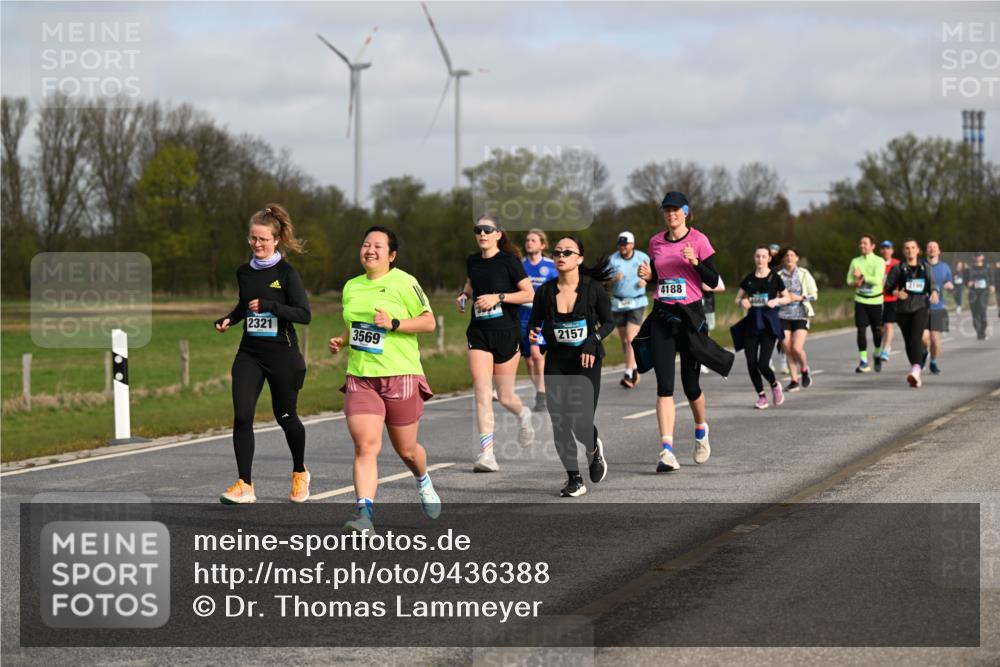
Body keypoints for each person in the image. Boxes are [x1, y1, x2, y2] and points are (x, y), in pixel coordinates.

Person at [329, 226, 440, 534]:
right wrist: (342, 341)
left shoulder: (405, 282)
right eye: (366, 244)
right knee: (365, 445)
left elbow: (428, 321)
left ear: (391, 255)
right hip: (361, 377)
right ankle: (364, 515)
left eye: (378, 246)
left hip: (400, 374)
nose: (370, 250)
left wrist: (393, 322)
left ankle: (422, 479)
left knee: (406, 450)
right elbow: (355, 325)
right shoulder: (351, 286)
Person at [215, 204, 311, 504]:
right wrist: (230, 318)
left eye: (263, 240)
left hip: (282, 355)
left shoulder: (286, 273)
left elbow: (304, 314)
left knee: (286, 417)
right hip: (250, 354)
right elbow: (246, 305)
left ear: (276, 239)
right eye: (253, 239)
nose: (257, 244)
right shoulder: (244, 272)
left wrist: (272, 307)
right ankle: (245, 484)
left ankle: (299, 472)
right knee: (242, 415)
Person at [636, 191, 734, 472]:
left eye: (676, 210)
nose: (671, 214)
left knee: (691, 387)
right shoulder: (656, 242)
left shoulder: (699, 240)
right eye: (667, 210)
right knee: (664, 385)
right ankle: (666, 450)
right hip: (663, 316)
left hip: (690, 317)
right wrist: (648, 276)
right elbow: (658, 274)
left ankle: (701, 428)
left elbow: (714, 279)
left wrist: (696, 263)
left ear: (686, 212)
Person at [527, 236, 615, 497]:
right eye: (556, 252)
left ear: (579, 258)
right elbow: (535, 324)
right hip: (556, 361)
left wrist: (592, 340)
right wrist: (534, 334)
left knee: (580, 421)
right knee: (560, 422)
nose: (561, 256)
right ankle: (574, 478)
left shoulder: (593, 289)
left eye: (568, 252)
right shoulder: (545, 291)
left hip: (586, 361)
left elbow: (609, 323)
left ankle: (593, 449)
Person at [458, 215, 536, 472]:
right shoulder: (472, 261)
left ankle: (523, 413)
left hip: (506, 333)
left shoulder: (510, 262)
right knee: (482, 391)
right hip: (479, 332)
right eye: (478, 229)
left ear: (498, 234)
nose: (482, 233)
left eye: (487, 229)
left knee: (504, 396)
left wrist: (498, 298)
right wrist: (464, 296)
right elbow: (471, 284)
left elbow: (529, 293)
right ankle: (487, 454)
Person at [733, 247, 792, 408]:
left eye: (763, 256)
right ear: (754, 258)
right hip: (751, 325)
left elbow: (787, 297)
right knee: (751, 363)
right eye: (757, 256)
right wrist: (741, 302)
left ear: (769, 259)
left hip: (768, 326)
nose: (760, 259)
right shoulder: (749, 278)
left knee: (763, 364)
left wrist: (777, 301)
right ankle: (761, 396)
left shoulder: (775, 278)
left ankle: (774, 385)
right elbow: (737, 298)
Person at [883, 239, 938, 388]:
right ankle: (917, 373)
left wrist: (934, 293)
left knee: (916, 337)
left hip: (920, 307)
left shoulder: (925, 267)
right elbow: (888, 288)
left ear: (918, 250)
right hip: (903, 310)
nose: (910, 250)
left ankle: (915, 370)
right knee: (909, 342)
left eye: (913, 248)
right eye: (907, 248)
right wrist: (896, 292)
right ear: (904, 251)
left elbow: (933, 285)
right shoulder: (898, 268)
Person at [519, 229, 556, 412]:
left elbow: (560, 287)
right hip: (522, 315)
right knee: (528, 361)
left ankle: (541, 394)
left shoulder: (551, 266)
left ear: (542, 244)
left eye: (533, 240)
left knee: (536, 354)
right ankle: (541, 389)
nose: (529, 243)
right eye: (527, 240)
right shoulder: (519, 265)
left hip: (541, 316)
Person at [608, 231, 650, 388]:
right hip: (619, 303)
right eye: (620, 244)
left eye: (625, 244)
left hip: (637, 302)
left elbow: (652, 275)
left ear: (632, 244)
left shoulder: (642, 258)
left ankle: (628, 372)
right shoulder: (613, 260)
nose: (622, 247)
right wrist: (613, 279)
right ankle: (635, 366)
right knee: (625, 340)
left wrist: (645, 281)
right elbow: (605, 282)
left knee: (631, 338)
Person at [776, 247, 818, 391]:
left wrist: (799, 297)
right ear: (783, 259)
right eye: (787, 255)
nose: (789, 258)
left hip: (801, 314)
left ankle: (804, 369)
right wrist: (779, 298)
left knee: (796, 347)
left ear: (797, 258)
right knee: (787, 347)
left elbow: (814, 295)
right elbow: (773, 295)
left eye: (792, 255)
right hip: (783, 315)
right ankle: (794, 380)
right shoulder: (779, 275)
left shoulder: (804, 274)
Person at [846, 234, 886, 373]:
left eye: (865, 243)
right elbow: (849, 280)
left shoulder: (879, 261)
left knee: (877, 331)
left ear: (872, 246)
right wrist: (855, 283)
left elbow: (878, 279)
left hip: (876, 300)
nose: (862, 246)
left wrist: (862, 277)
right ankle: (863, 361)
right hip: (861, 300)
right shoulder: (855, 261)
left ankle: (877, 353)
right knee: (861, 330)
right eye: (860, 243)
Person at [922, 241, 953, 375]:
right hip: (921, 308)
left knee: (935, 339)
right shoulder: (920, 266)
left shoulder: (945, 267)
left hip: (938, 308)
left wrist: (950, 286)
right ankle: (924, 352)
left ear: (939, 251)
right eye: (929, 247)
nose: (932, 249)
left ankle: (933, 362)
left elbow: (950, 283)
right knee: (923, 338)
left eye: (934, 247)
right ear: (926, 251)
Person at [878, 240, 900, 364]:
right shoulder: (877, 263)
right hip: (877, 299)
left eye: (888, 248)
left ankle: (886, 349)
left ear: (892, 250)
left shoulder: (897, 264)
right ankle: (882, 344)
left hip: (891, 299)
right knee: (879, 329)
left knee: (888, 324)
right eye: (883, 248)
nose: (886, 251)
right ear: (880, 250)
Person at [966, 251, 995, 340]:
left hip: (984, 293)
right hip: (973, 293)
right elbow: (965, 280)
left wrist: (992, 285)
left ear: (982, 257)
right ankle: (979, 332)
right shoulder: (970, 268)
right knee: (975, 313)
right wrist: (968, 283)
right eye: (976, 256)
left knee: (982, 312)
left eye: (979, 256)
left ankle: (982, 330)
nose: (978, 257)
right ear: (974, 257)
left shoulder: (987, 267)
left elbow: (991, 278)